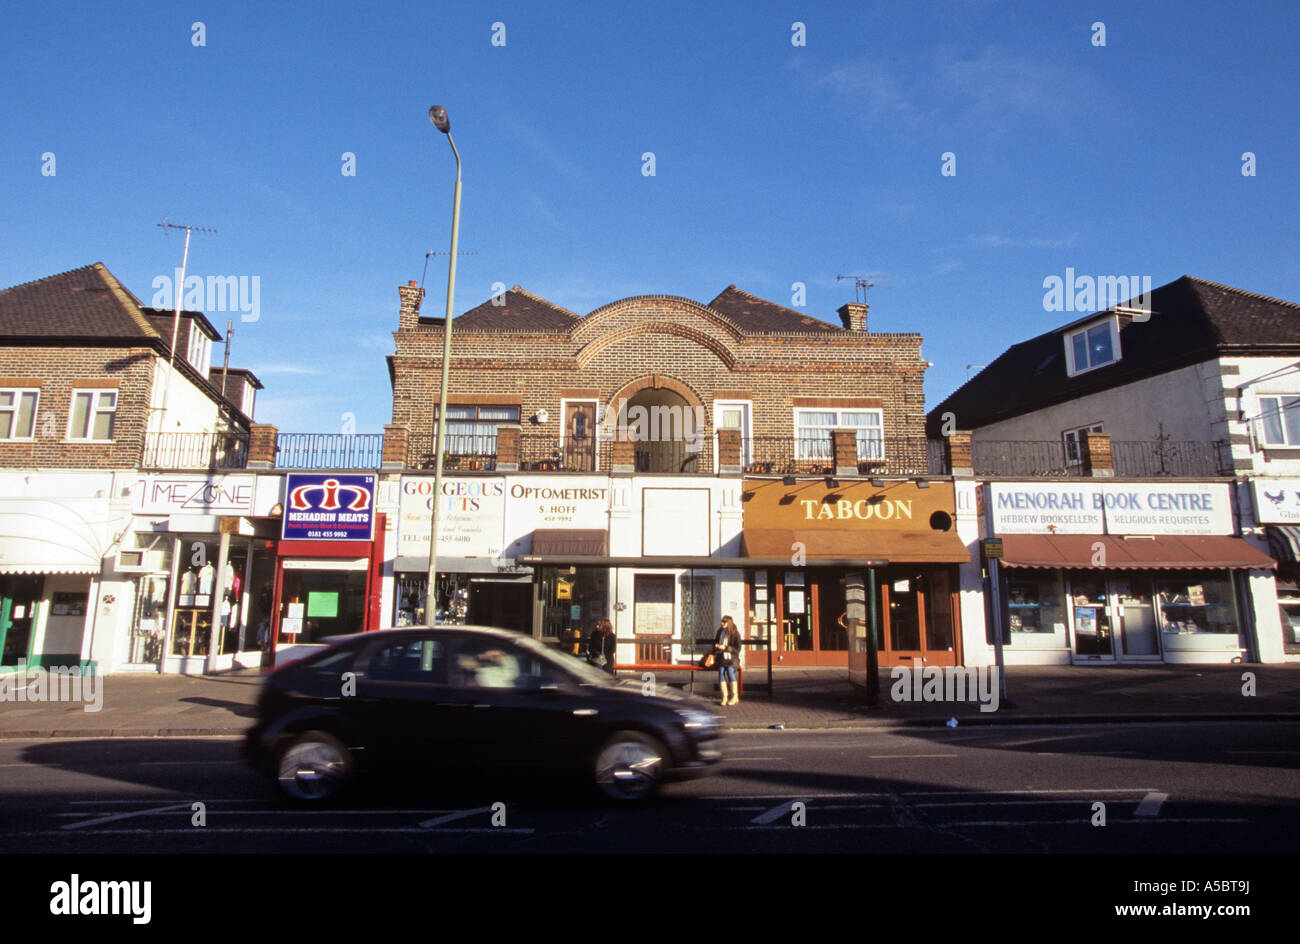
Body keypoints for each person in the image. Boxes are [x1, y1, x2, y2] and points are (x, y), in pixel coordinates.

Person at [713, 615, 742, 706]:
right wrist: (717, 646)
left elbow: (737, 649)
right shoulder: (720, 631)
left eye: (724, 622)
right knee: (721, 671)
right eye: (722, 622)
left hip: (732, 658)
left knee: (730, 671)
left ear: (728, 623)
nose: (722, 623)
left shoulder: (735, 633)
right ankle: (724, 696)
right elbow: (715, 642)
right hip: (721, 657)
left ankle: (734, 696)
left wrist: (726, 648)